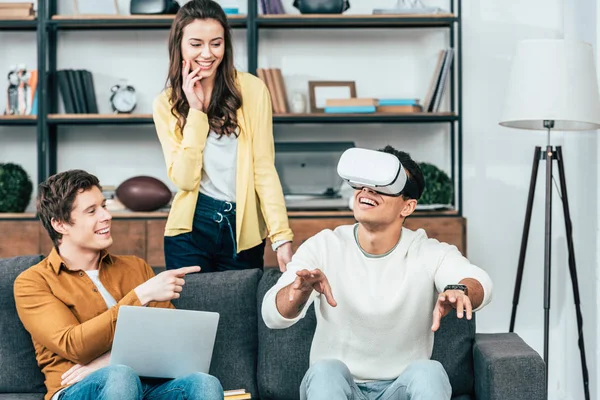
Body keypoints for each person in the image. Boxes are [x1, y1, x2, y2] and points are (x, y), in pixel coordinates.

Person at [261, 146, 493, 400]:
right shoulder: (324, 246)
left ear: (407, 206)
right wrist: (300, 291)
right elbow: (273, 315)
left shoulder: (429, 252)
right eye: (365, 182)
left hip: (399, 390)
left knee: (430, 372)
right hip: (338, 388)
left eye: (384, 185)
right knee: (326, 370)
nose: (368, 190)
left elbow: (479, 281)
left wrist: (460, 290)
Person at [13, 170, 224, 400]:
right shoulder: (33, 282)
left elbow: (169, 345)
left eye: (104, 206)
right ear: (60, 224)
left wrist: (106, 361)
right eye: (92, 211)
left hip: (148, 387)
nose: (106, 216)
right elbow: (73, 345)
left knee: (204, 383)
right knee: (119, 377)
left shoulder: (136, 268)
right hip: (76, 390)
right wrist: (140, 295)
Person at [153, 0, 293, 273]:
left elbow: (263, 168)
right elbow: (183, 179)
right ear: (179, 45)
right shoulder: (165, 103)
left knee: (238, 315)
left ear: (225, 45)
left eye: (215, 43)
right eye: (196, 44)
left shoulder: (252, 90)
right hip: (190, 229)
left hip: (242, 229)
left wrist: (281, 236)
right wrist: (196, 112)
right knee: (191, 316)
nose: (207, 53)